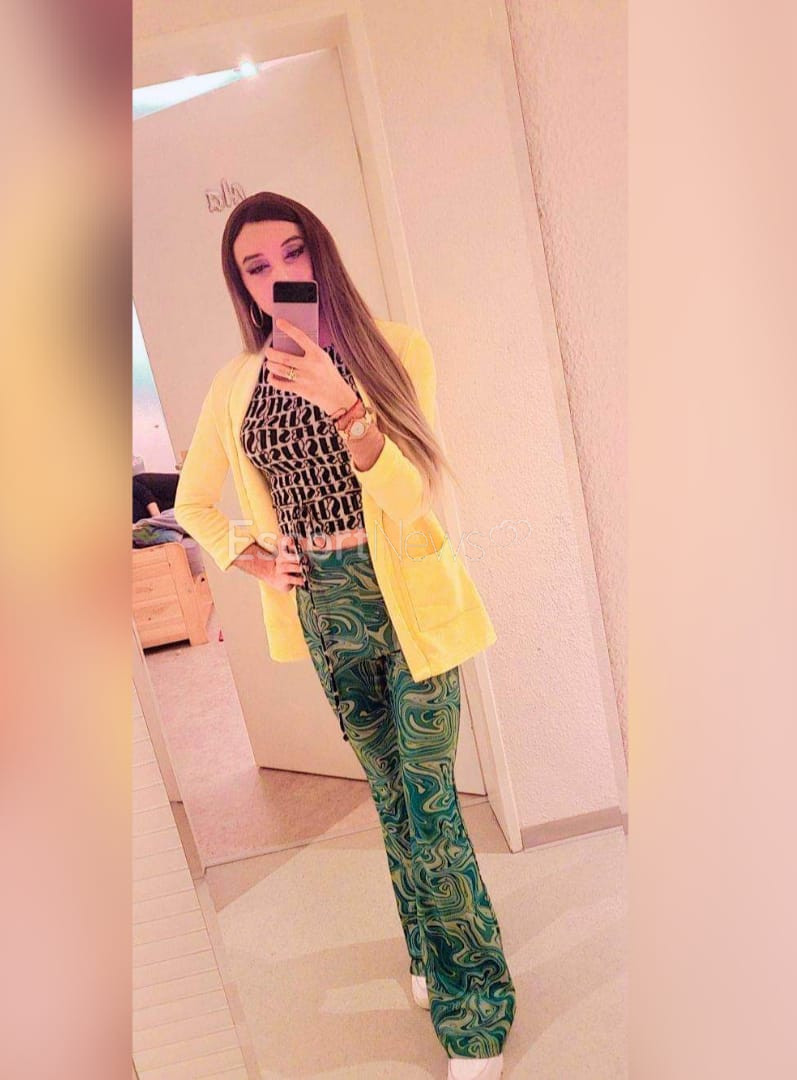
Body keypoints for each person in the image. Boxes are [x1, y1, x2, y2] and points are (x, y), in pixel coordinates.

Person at [174, 191, 514, 1079]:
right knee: (392, 799)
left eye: (293, 252)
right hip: (328, 607)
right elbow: (190, 501)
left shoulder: (392, 349)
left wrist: (344, 403)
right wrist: (253, 558)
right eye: (257, 266)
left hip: (411, 601)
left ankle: (477, 1012)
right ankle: (429, 954)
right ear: (243, 287)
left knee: (433, 807)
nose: (279, 274)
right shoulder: (234, 386)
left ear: (320, 254)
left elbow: (416, 498)